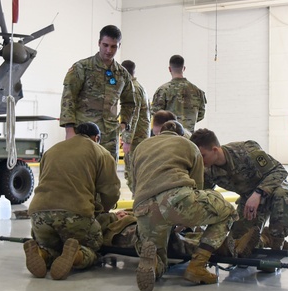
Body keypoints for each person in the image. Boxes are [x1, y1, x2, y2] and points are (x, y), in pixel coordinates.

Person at [127, 120, 237, 291]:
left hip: (144, 207)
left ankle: (155, 264)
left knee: (163, 254)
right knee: (227, 211)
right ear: (180, 134)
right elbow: (198, 187)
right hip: (176, 200)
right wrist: (186, 219)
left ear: (159, 133)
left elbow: (134, 184)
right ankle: (197, 266)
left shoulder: (141, 147)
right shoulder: (189, 145)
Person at [24, 122, 121, 280]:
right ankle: (76, 256)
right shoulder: (101, 152)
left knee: (53, 246)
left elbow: (43, 180)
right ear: (96, 138)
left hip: (39, 215)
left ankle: (42, 254)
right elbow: (111, 191)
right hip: (75, 215)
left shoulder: (51, 151)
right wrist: (104, 210)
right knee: (94, 246)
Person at [190, 128, 288, 254]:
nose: (200, 161)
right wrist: (192, 221)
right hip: (248, 200)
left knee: (282, 196)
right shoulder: (208, 170)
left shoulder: (246, 150)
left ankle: (277, 245)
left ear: (215, 150)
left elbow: (279, 171)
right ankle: (266, 238)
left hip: (274, 189)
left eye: (203, 156)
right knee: (237, 246)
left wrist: (259, 193)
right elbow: (202, 195)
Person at [59, 25, 137, 160]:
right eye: (105, 45)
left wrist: (124, 124)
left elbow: (129, 101)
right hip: (83, 133)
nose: (109, 50)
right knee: (81, 172)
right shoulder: (82, 68)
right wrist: (69, 130)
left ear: (119, 46)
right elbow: (68, 98)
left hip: (110, 137)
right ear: (99, 43)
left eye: (114, 46)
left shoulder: (122, 74)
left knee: (108, 174)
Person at [150, 55, 207, 132]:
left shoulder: (163, 90)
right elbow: (201, 115)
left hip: (169, 135)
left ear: (169, 69)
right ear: (184, 68)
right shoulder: (198, 91)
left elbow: (157, 115)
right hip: (189, 136)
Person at [120, 59, 150, 194]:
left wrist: (127, 140)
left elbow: (133, 115)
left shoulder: (134, 89)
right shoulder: (134, 87)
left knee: (134, 175)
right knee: (133, 175)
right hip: (137, 138)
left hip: (136, 140)